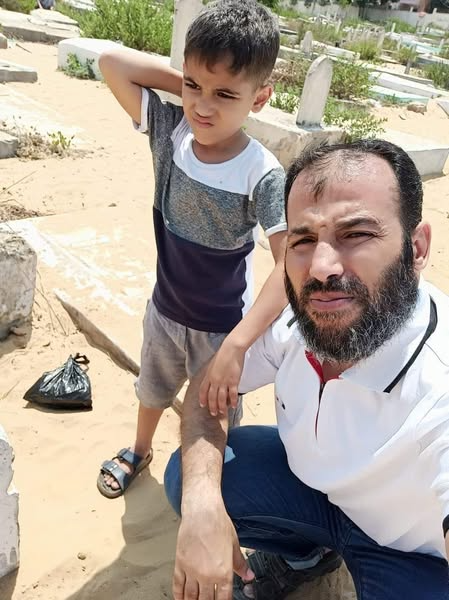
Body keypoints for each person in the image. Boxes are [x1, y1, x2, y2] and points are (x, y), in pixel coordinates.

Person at [164, 139, 449, 600]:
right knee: (187, 476)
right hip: (318, 498)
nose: (321, 268)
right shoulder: (296, 323)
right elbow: (206, 390)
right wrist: (201, 506)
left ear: (416, 248)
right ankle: (307, 557)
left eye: (356, 234)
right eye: (302, 240)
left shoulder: (440, 377)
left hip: (404, 554)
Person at [96, 0, 288, 498]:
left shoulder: (262, 173)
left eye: (225, 93)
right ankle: (140, 450)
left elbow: (290, 265)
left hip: (221, 330)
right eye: (193, 86)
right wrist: (188, 81)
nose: (203, 106)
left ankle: (213, 494)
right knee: (151, 389)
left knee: (215, 417)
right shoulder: (172, 132)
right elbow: (111, 64)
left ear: (260, 97)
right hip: (164, 310)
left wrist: (238, 345)